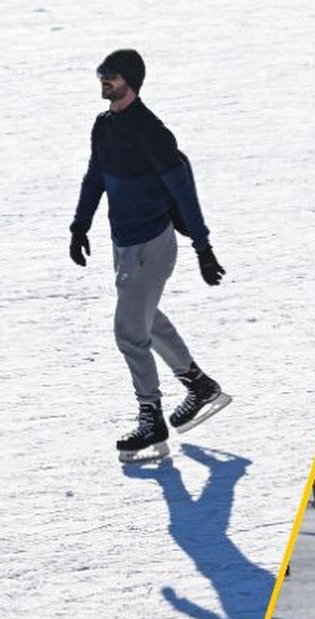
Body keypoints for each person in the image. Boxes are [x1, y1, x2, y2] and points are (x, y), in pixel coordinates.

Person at [69, 48, 229, 458]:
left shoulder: (152, 132)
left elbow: (183, 190)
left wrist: (203, 246)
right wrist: (80, 225)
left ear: (132, 83)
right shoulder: (103, 127)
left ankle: (151, 419)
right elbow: (95, 178)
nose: (105, 81)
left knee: (129, 333)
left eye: (113, 76)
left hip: (152, 246)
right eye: (102, 74)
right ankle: (199, 385)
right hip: (123, 246)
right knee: (146, 319)